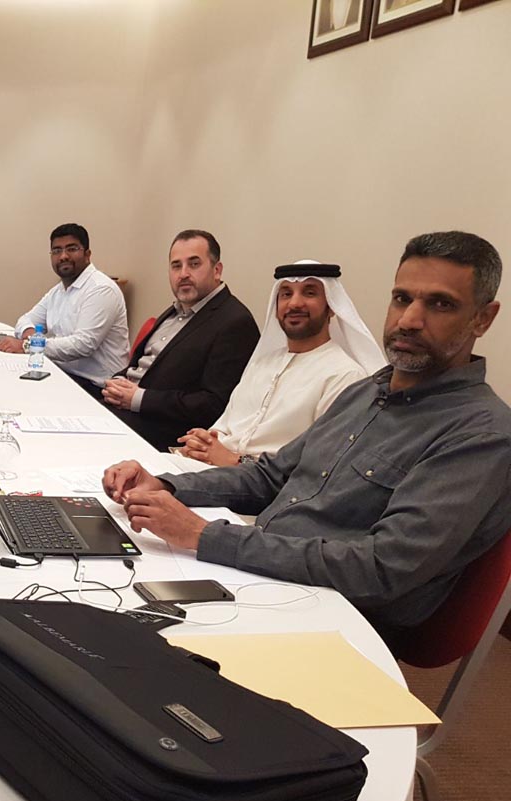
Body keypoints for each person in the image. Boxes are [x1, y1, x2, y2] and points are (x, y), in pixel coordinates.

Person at [103, 231, 511, 639]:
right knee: (101, 583)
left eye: (440, 304)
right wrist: (166, 486)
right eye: (402, 299)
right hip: (263, 568)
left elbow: (381, 568)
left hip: (334, 616)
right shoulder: (365, 393)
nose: (409, 320)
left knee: (119, 639)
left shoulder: (480, 433)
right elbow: (270, 476)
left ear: (483, 318)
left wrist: (204, 535)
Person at [176, 261, 385, 466]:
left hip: (263, 485)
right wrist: (201, 444)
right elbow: (224, 427)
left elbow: (319, 466)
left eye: (309, 293)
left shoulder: (344, 376)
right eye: (286, 294)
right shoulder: (261, 364)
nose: (294, 304)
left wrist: (236, 461)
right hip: (210, 471)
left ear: (331, 306)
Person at [101, 229, 259, 451]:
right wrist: (117, 382)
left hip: (161, 432)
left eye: (194, 264)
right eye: (176, 266)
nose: (183, 274)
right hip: (122, 409)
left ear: (217, 270)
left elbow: (214, 405)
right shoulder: (177, 310)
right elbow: (142, 365)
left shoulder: (235, 322)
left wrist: (138, 399)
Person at [0, 223, 129, 396]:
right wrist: (30, 336)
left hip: (98, 387)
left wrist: (27, 346)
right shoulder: (59, 291)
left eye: (71, 249)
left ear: (87, 254)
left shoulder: (101, 289)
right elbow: (25, 320)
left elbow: (83, 345)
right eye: (57, 250)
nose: (63, 256)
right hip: (64, 373)